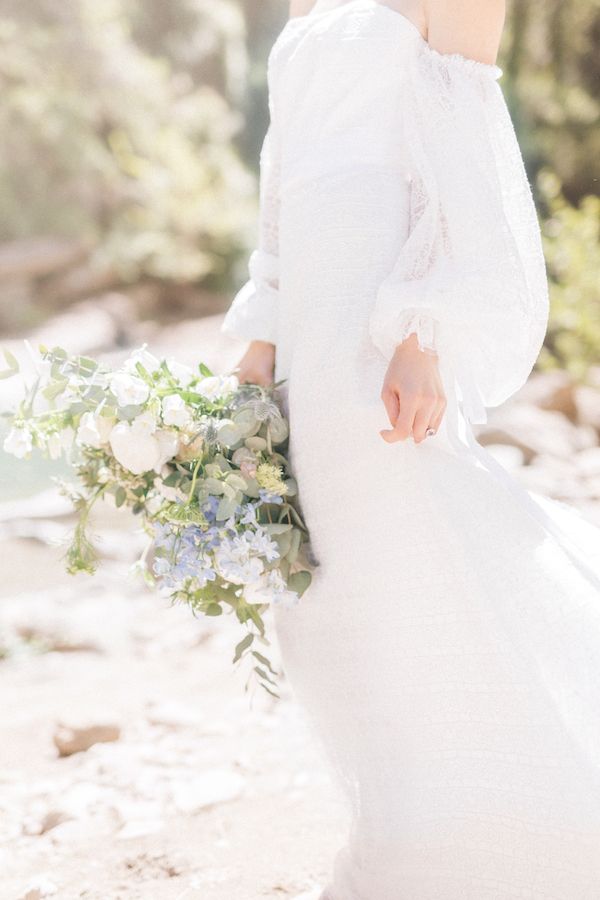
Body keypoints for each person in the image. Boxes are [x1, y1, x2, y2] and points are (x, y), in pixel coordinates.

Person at [221, 1, 600, 896]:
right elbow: (284, 185)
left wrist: (425, 328)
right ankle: (411, 821)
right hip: (310, 321)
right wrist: (259, 343)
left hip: (383, 302)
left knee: (416, 524)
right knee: (339, 577)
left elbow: (467, 153)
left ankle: (524, 818)